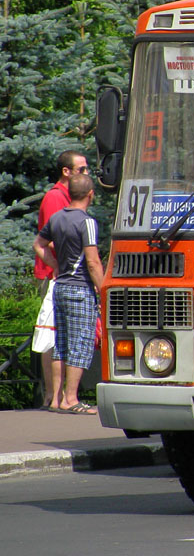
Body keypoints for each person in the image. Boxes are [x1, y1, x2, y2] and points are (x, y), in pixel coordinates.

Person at [32, 173, 104, 414]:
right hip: (80, 288)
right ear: (90, 195)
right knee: (80, 342)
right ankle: (71, 399)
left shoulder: (56, 218)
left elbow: (38, 245)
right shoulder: (87, 222)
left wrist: (56, 265)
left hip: (60, 287)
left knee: (61, 343)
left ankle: (56, 399)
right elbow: (92, 261)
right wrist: (103, 290)